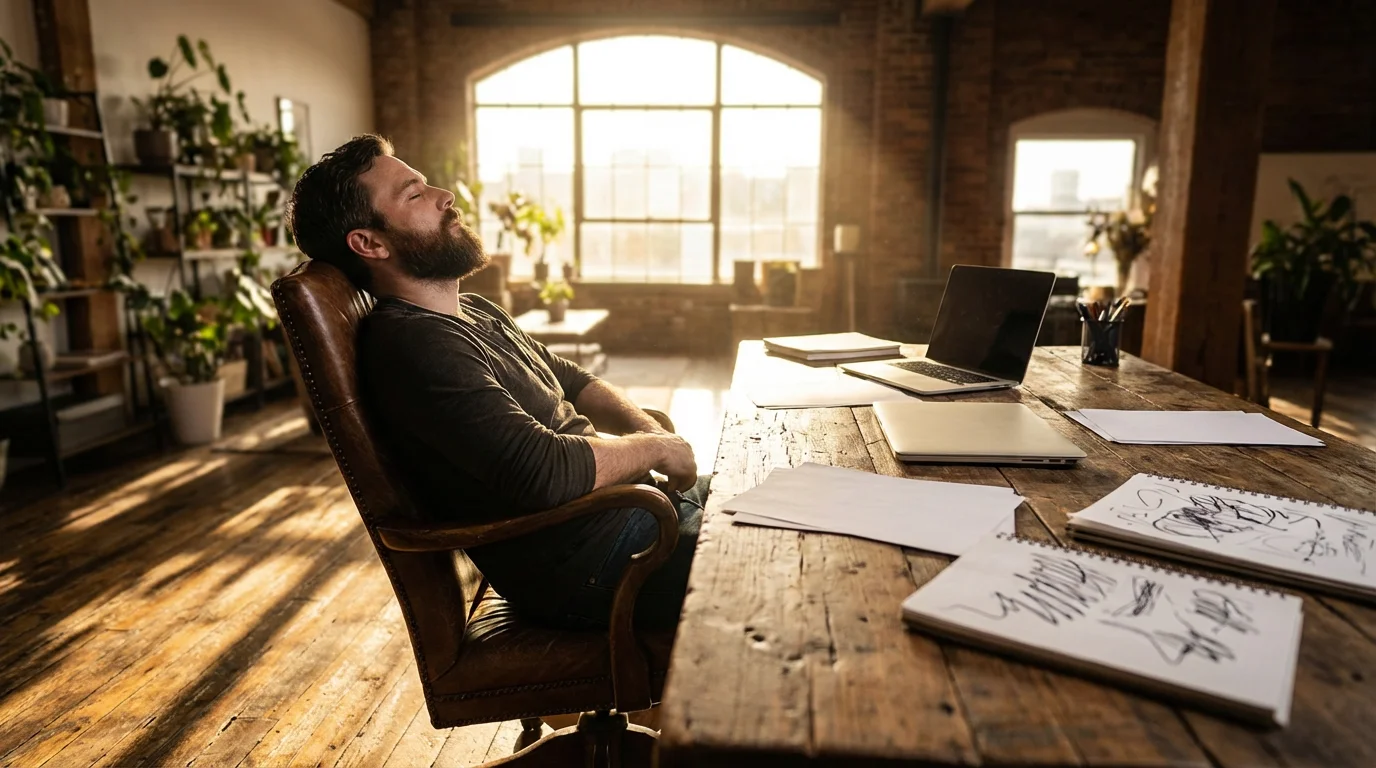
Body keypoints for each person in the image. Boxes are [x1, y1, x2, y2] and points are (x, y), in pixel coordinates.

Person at [286, 134, 707, 629]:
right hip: (599, 565)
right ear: (370, 243)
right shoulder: (416, 346)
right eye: (415, 195)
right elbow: (542, 469)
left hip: (637, 514)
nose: (446, 196)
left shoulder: (473, 311)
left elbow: (572, 379)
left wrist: (654, 436)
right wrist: (654, 450)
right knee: (798, 560)